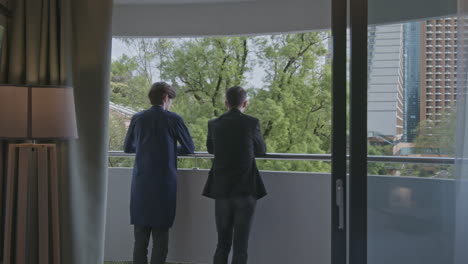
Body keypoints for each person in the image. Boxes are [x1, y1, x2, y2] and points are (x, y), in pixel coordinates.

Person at [124, 81, 195, 264]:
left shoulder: (138, 118)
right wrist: (169, 150)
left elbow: (127, 148)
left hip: (141, 183)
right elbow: (189, 148)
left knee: (140, 240)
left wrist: (145, 148)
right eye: (170, 100)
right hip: (164, 185)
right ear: (165, 98)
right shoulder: (173, 119)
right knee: (161, 240)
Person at [203, 86, 267, 264]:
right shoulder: (252, 123)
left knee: (222, 244)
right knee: (241, 246)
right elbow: (261, 150)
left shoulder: (214, 124)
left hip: (221, 190)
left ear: (226, 103)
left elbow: (211, 149)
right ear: (245, 103)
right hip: (246, 189)